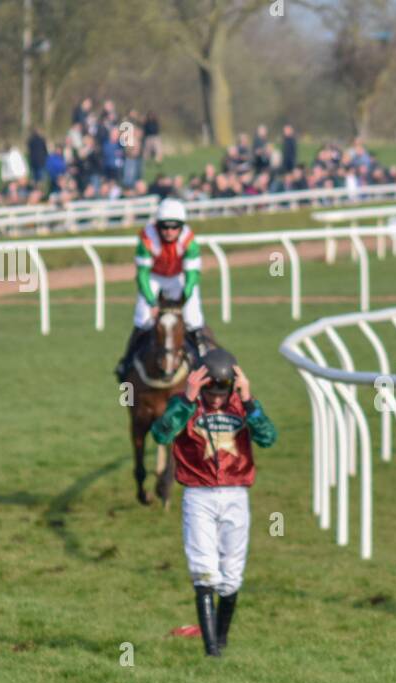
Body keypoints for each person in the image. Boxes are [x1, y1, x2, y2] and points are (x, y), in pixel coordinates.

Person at [151, 348, 277, 657]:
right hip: (198, 495)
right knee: (204, 570)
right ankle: (212, 652)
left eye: (223, 392)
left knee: (232, 575)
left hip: (236, 494)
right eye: (211, 392)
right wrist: (186, 400)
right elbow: (161, 435)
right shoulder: (185, 403)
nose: (217, 399)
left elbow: (268, 438)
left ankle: (221, 641)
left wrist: (249, 402)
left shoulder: (242, 405)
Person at [114, 198, 214, 382]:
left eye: (174, 227)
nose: (169, 232)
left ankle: (205, 361)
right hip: (154, 277)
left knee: (193, 318)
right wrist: (152, 302)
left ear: (181, 227)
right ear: (157, 226)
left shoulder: (189, 241)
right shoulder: (146, 238)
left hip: (179, 277)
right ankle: (126, 363)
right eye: (164, 227)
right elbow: (142, 274)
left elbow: (192, 274)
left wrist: (185, 296)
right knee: (143, 319)